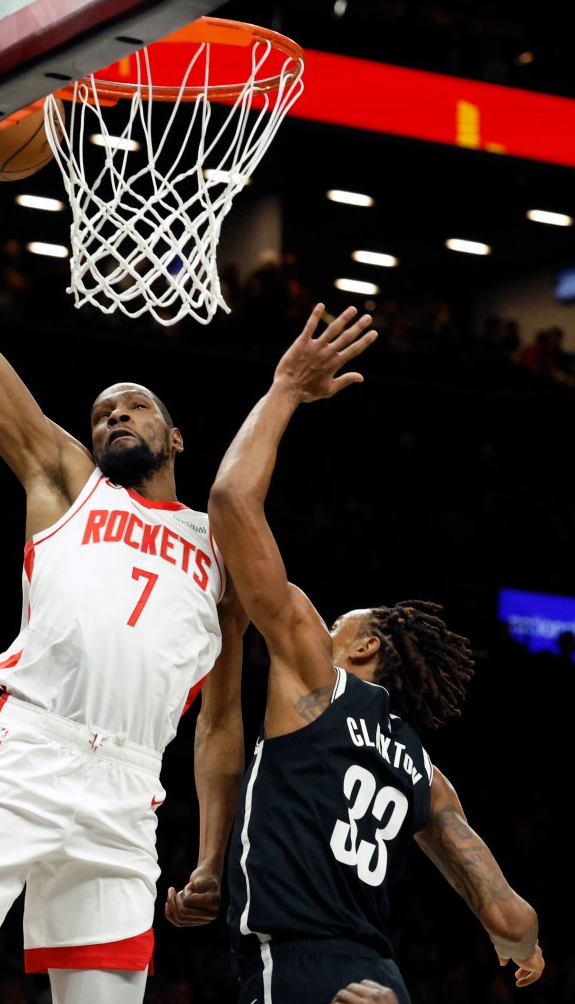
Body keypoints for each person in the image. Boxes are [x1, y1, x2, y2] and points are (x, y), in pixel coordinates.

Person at [0, 158, 246, 1004]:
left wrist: (213, 855)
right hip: (28, 754)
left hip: (129, 793)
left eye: (134, 405)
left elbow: (221, 725)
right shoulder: (66, 479)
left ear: (176, 437)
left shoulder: (224, 551)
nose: (114, 416)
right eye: (103, 409)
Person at [167, 304, 545, 1003]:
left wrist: (285, 387)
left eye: (344, 620)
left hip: (300, 969)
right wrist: (521, 946)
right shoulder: (426, 775)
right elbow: (506, 911)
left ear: (365, 645)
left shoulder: (316, 674)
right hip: (380, 979)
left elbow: (229, 501)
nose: (328, 624)